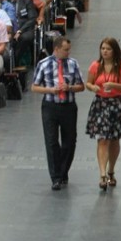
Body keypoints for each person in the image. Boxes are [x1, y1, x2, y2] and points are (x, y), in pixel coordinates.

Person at [31, 36, 85, 191]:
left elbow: (81, 86)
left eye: (69, 50)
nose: (68, 52)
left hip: (68, 106)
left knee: (70, 141)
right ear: (56, 49)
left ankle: (63, 170)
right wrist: (50, 90)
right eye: (65, 50)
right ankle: (56, 176)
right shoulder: (44, 64)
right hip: (50, 106)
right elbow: (34, 87)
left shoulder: (73, 64)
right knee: (52, 141)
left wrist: (70, 87)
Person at [85, 38, 121, 191]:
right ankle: (102, 175)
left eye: (108, 49)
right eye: (102, 48)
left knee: (114, 139)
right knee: (102, 139)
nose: (105, 51)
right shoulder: (95, 65)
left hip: (116, 104)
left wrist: (114, 85)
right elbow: (88, 83)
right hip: (100, 104)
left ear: (114, 51)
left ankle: (111, 170)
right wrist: (92, 87)